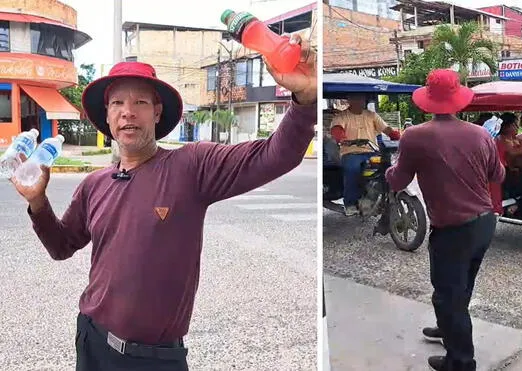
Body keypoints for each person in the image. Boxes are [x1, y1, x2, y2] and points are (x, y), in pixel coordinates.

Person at [10, 34, 316, 371]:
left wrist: (305, 98)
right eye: (117, 104)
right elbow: (61, 246)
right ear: (107, 116)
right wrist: (38, 202)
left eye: (140, 102)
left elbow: (276, 155)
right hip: (92, 342)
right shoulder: (94, 184)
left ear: (156, 112)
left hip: (154, 358)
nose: (128, 113)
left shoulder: (192, 166)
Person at [385, 69, 505, 371]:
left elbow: (398, 180)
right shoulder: (481, 134)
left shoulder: (414, 136)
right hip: (484, 223)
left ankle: (461, 362)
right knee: (461, 287)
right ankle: (449, 328)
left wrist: (389, 171)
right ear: (458, 99)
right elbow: (498, 175)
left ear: (428, 100)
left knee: (447, 296)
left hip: (453, 230)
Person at [329, 94, 400, 216]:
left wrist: (396, 135)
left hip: (372, 151)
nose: (359, 101)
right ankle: (350, 204)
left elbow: (386, 129)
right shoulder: (342, 117)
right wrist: (341, 137)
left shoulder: (371, 115)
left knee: (388, 167)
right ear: (349, 100)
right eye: (356, 98)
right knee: (353, 169)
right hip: (351, 152)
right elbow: (336, 129)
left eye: (361, 98)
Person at [496, 112, 522, 219]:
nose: (517, 127)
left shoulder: (514, 139)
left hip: (513, 170)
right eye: (515, 125)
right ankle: (516, 206)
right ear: (507, 126)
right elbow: (513, 152)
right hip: (503, 171)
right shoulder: (502, 138)